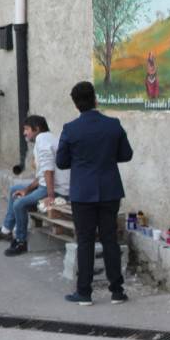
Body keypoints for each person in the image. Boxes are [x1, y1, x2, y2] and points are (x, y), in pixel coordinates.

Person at [57, 81, 133, 306]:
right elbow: (126, 154)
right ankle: (117, 291)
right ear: (95, 99)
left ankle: (84, 292)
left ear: (75, 104)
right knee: (110, 239)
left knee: (85, 241)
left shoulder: (70, 129)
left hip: (83, 192)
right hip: (110, 189)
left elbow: (61, 162)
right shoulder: (113, 124)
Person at [0, 115, 70, 255]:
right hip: (48, 185)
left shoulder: (42, 141)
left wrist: (50, 197)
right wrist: (26, 190)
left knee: (19, 204)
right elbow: (43, 174)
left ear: (36, 129)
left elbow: (49, 171)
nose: (24, 133)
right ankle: (6, 230)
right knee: (16, 189)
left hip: (56, 190)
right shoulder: (48, 138)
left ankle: (21, 241)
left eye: (26, 129)